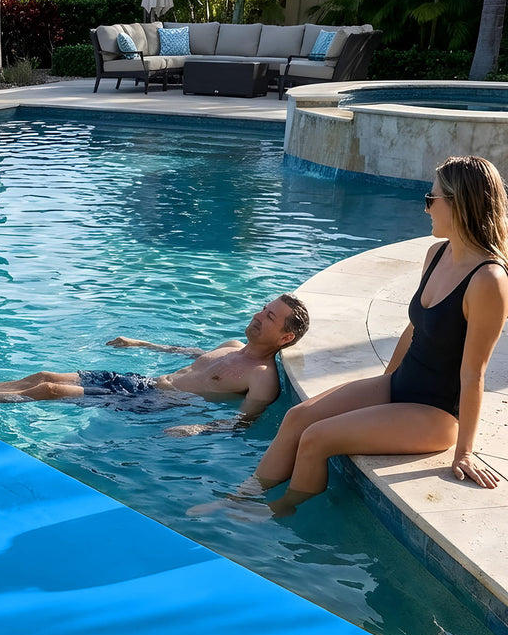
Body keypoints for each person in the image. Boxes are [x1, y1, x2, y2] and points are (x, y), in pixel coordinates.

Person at [194, 155, 508, 519]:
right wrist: (385, 382)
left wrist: (464, 452)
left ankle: (276, 511)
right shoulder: (437, 254)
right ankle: (242, 496)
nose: (426, 209)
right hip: (400, 385)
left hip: (436, 414)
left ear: (459, 204)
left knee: (317, 437)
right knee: (298, 417)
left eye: (431, 199)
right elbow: (415, 328)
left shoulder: (489, 281)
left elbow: (474, 373)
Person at [0, 295, 310, 436]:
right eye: (263, 309)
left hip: (157, 403)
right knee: (43, 375)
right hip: (142, 381)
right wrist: (141, 342)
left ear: (285, 337)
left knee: (50, 392)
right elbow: (190, 354)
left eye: (270, 318)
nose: (259, 316)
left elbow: (243, 422)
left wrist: (199, 428)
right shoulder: (232, 343)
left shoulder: (263, 379)